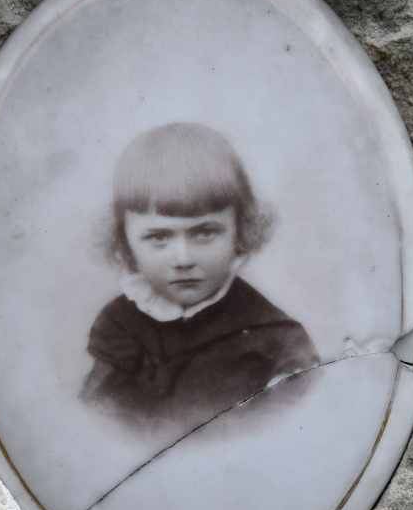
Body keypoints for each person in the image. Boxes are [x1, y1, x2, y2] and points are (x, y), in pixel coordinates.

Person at [80, 122, 318, 434]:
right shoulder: (119, 323)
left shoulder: (278, 342)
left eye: (204, 233)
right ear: (125, 240)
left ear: (239, 230)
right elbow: (91, 426)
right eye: (158, 237)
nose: (183, 260)